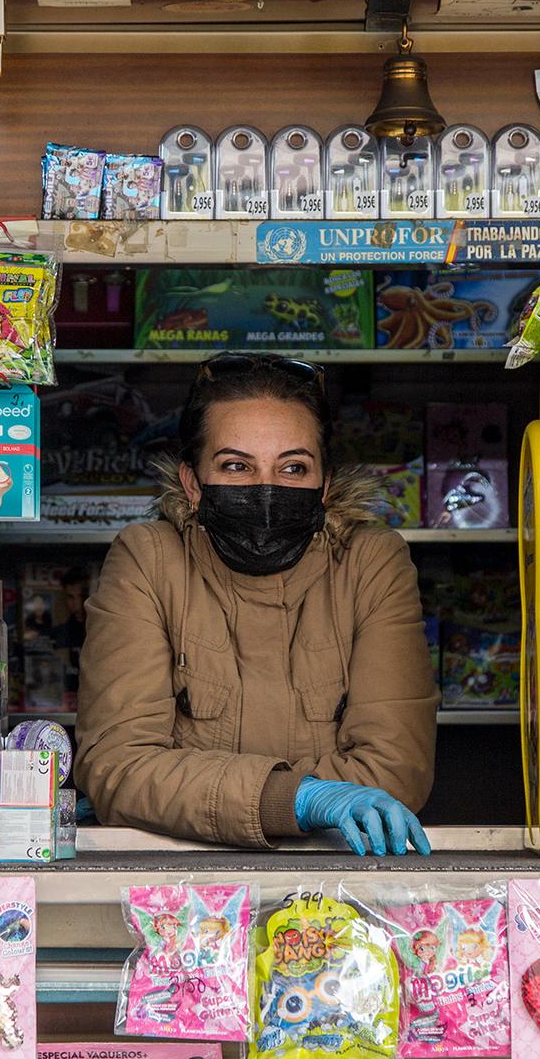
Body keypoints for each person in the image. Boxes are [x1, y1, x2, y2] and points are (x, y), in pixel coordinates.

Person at [76, 352, 437, 855]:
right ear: (192, 483)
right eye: (235, 466)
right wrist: (301, 799)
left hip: (342, 880)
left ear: (324, 484)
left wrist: (190, 788)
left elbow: (395, 771)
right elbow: (118, 767)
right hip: (179, 881)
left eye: (293, 467)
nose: (266, 489)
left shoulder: (370, 562)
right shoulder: (149, 559)